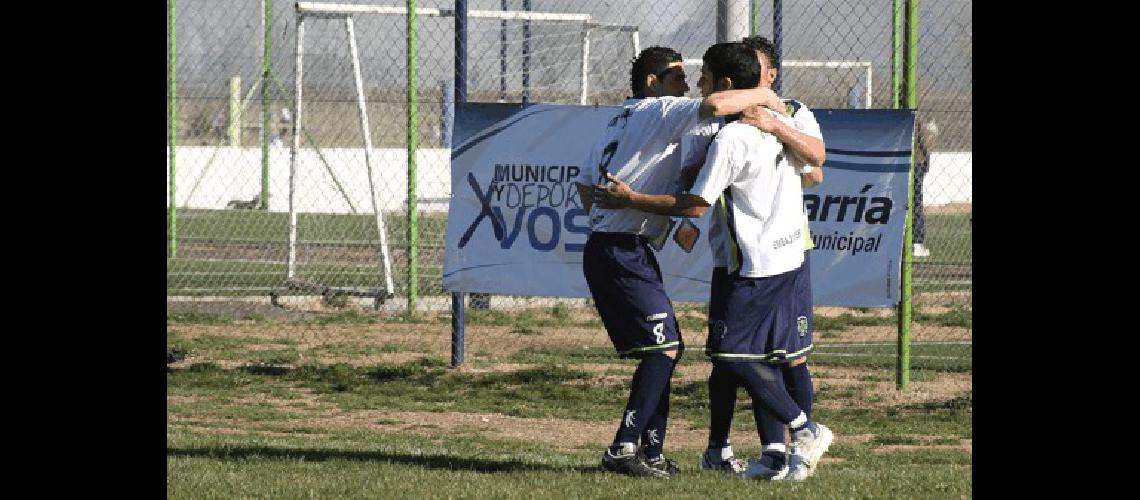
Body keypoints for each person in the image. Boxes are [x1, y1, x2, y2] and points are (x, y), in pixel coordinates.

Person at [593, 41, 833, 482]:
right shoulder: (747, 124)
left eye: (701, 79)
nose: (695, 88)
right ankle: (763, 453)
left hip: (761, 262)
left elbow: (697, 202)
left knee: (737, 354)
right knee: (743, 353)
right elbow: (694, 180)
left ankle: (804, 430)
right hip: (754, 258)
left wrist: (634, 198)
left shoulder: (753, 128)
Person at [694, 35, 828, 481]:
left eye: (767, 71)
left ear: (771, 74)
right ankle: (767, 451)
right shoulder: (724, 120)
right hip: (732, 255)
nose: (764, 79)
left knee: (781, 355)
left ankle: (801, 442)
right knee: (734, 355)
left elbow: (815, 167)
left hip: (780, 255)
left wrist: (774, 124)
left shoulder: (790, 111)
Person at [912, 119, 938, 258]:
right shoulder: (917, 121)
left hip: (908, 163)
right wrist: (927, 161)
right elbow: (924, 144)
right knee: (916, 202)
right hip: (917, 164)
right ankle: (916, 241)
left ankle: (912, 241)